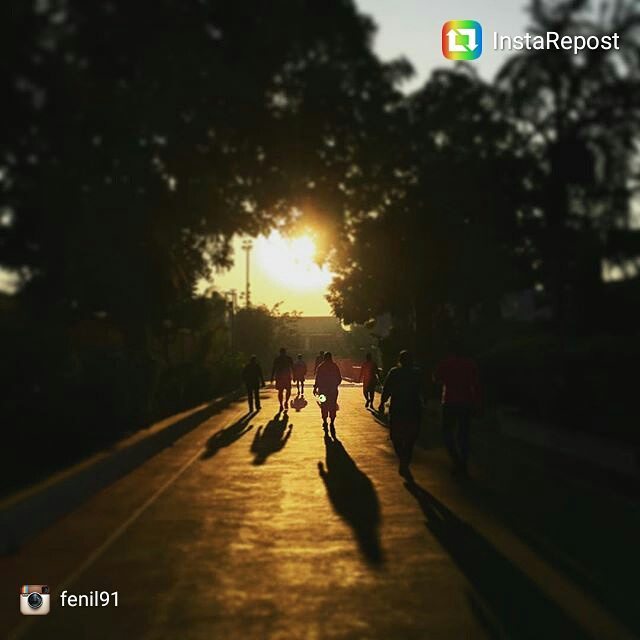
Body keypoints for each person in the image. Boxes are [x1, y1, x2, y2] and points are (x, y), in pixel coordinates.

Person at [433, 339, 481, 477]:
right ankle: (463, 463)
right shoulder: (470, 364)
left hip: (449, 402)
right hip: (466, 403)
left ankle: (457, 461)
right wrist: (477, 403)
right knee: (464, 435)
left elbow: (435, 378)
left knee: (447, 434)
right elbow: (476, 385)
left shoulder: (446, 363)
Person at [379, 350, 423, 479]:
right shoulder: (417, 373)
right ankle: (405, 460)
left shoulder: (394, 372)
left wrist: (382, 402)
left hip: (397, 408)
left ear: (400, 360)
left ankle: (402, 458)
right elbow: (424, 390)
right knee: (411, 437)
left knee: (395, 436)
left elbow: (386, 388)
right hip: (414, 408)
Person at [314, 351, 342, 437]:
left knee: (324, 405)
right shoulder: (335, 366)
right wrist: (334, 385)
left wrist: (315, 388)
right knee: (332, 405)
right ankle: (332, 422)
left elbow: (317, 379)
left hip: (323, 391)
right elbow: (339, 378)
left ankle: (325, 421)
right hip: (333, 391)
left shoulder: (321, 367)